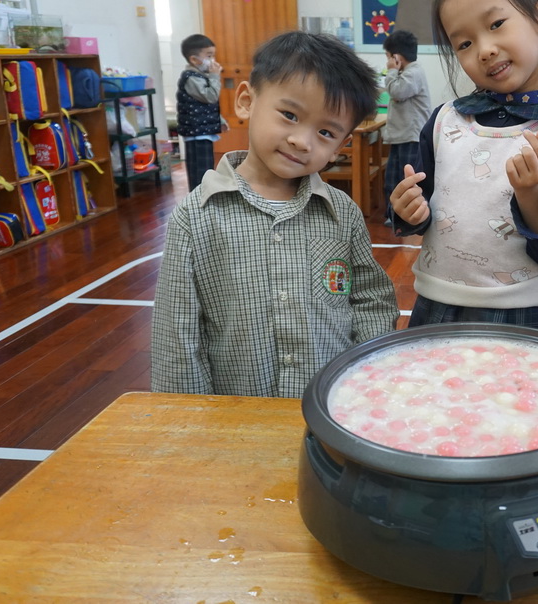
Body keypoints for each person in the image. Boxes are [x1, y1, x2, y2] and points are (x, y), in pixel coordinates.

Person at [152, 32, 399, 398]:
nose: (302, 140)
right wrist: (191, 420)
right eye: (289, 115)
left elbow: (371, 300)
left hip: (332, 404)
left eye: (325, 132)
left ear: (339, 147)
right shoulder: (196, 218)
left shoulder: (343, 213)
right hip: (237, 413)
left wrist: (366, 382)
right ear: (246, 102)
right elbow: (177, 336)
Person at [389, 0, 538, 333]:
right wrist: (407, 210)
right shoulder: (444, 121)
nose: (484, 50)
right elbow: (423, 205)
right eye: (464, 44)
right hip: (436, 304)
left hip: (522, 313)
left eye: (496, 23)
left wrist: (533, 195)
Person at [382, 30, 431, 224]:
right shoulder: (405, 74)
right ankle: (393, 214)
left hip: (411, 137)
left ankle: (406, 216)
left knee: (406, 180)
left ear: (396, 57)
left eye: (388, 57)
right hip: (401, 136)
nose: (387, 61)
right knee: (392, 178)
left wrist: (391, 71)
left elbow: (398, 91)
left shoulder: (414, 72)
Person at [176, 34, 228, 191]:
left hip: (202, 130)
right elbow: (210, 96)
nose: (213, 60)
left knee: (206, 168)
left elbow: (204, 105)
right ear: (194, 59)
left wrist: (220, 120)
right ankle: (199, 198)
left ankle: (203, 195)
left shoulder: (200, 76)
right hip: (197, 132)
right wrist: (215, 76)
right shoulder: (191, 78)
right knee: (200, 171)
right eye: (209, 56)